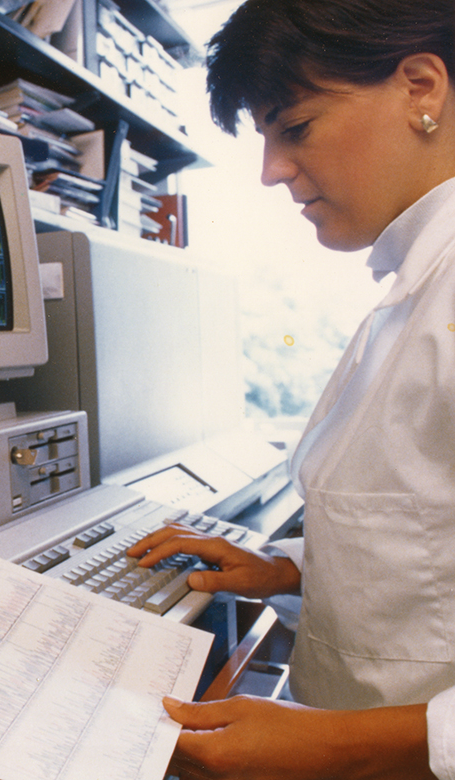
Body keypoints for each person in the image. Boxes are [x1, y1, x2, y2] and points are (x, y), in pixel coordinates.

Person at [125, 1, 455, 778]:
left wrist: (333, 745)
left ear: (421, 89)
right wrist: (289, 567)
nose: (271, 170)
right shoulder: (412, 284)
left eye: (294, 127)